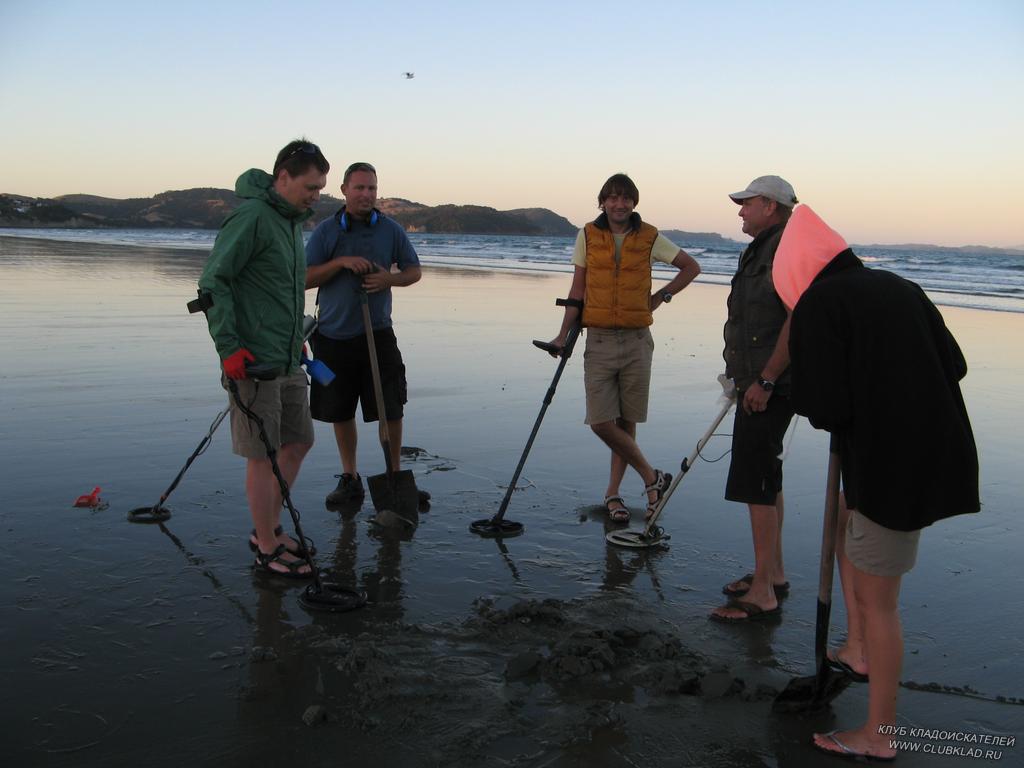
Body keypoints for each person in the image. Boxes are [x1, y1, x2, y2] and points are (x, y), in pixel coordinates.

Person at [773, 204, 979, 762]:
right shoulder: (900, 285)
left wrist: (859, 394)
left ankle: (879, 734)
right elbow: (954, 365)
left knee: (880, 598)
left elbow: (822, 406)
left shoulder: (818, 304)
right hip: (939, 453)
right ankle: (857, 649)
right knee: (846, 517)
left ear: (795, 272)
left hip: (891, 469)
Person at [198, 139, 329, 578]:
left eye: (321, 188)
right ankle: (267, 545)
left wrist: (297, 339)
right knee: (263, 454)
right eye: (310, 186)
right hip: (252, 360)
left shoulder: (291, 222)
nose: (316, 195)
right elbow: (214, 282)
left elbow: (282, 289)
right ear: (283, 177)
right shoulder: (253, 216)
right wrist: (229, 348)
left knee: (299, 442)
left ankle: (268, 529)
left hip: (288, 356)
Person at [549, 173, 700, 522]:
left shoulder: (649, 237)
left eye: (626, 198)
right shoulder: (588, 234)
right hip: (599, 338)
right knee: (601, 422)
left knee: (626, 421)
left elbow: (691, 267)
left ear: (634, 202)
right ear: (602, 201)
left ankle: (614, 496)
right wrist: (561, 335)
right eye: (612, 198)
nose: (619, 204)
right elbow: (577, 290)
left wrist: (661, 296)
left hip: (636, 342)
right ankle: (653, 478)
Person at [304, 162, 423, 507]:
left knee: (391, 407)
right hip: (331, 335)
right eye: (359, 188)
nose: (366, 195)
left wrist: (390, 279)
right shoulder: (327, 231)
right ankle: (350, 477)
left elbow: (413, 271)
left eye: (371, 188)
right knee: (339, 410)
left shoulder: (390, 230)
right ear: (344, 190)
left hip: (378, 332)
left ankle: (394, 475)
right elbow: (305, 277)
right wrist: (341, 263)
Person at [711, 175, 799, 622]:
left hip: (769, 386)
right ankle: (774, 574)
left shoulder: (784, 248)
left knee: (756, 482)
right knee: (767, 476)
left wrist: (764, 381)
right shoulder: (763, 246)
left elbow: (795, 318)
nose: (740, 210)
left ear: (770, 204)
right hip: (758, 382)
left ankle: (762, 591)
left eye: (747, 203)